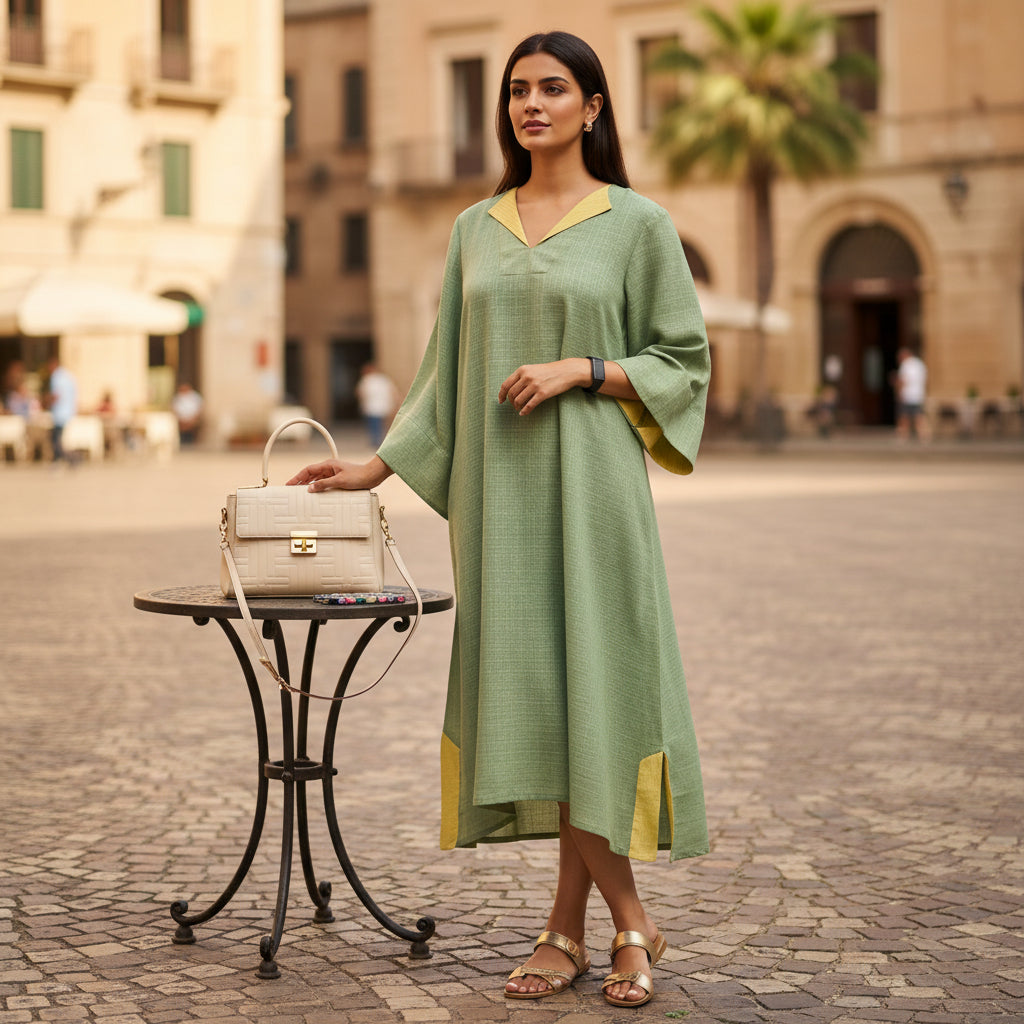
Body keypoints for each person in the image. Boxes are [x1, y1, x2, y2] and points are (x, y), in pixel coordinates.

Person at [288, 31, 711, 1009]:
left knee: (593, 695)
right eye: (517, 89)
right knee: (542, 698)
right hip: (501, 505)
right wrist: (375, 468)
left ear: (592, 108)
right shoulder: (474, 229)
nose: (530, 103)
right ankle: (591, 925)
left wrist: (587, 368)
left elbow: (683, 359)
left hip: (595, 493)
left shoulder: (637, 225)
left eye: (553, 89)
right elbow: (441, 375)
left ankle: (605, 924)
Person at [44, 355, 78, 464]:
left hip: (59, 413)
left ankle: (70, 459)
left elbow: (56, 395)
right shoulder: (68, 376)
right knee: (59, 439)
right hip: (68, 412)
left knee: (56, 439)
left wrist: (46, 402)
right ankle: (64, 459)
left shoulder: (56, 377)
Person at [355, 362, 398, 448]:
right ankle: (379, 440)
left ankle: (375, 440)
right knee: (380, 424)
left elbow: (360, 392)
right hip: (382, 406)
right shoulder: (383, 379)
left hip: (372, 406)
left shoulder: (366, 380)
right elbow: (393, 391)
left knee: (374, 424)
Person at [895, 347, 931, 442]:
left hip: (907, 395)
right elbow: (926, 380)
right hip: (918, 394)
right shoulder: (920, 364)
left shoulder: (906, 365)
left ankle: (903, 437)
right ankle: (924, 436)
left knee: (904, 417)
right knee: (919, 416)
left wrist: (899, 392)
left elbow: (902, 381)